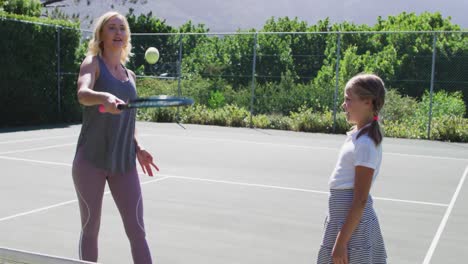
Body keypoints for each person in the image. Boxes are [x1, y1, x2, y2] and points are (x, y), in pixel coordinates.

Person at [72, 11, 158, 264]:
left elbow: (128, 119)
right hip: (90, 161)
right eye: (112, 28)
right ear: (101, 34)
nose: (118, 32)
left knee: (137, 231)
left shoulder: (130, 76)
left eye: (122, 28)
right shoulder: (92, 63)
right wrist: (103, 98)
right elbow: (83, 93)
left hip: (124, 164)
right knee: (90, 230)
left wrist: (138, 147)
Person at [317, 73, 387, 264]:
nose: (343, 105)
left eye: (348, 99)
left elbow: (360, 200)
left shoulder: (365, 143)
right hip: (343, 220)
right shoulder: (358, 135)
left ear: (367, 102)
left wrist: (340, 243)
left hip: (352, 227)